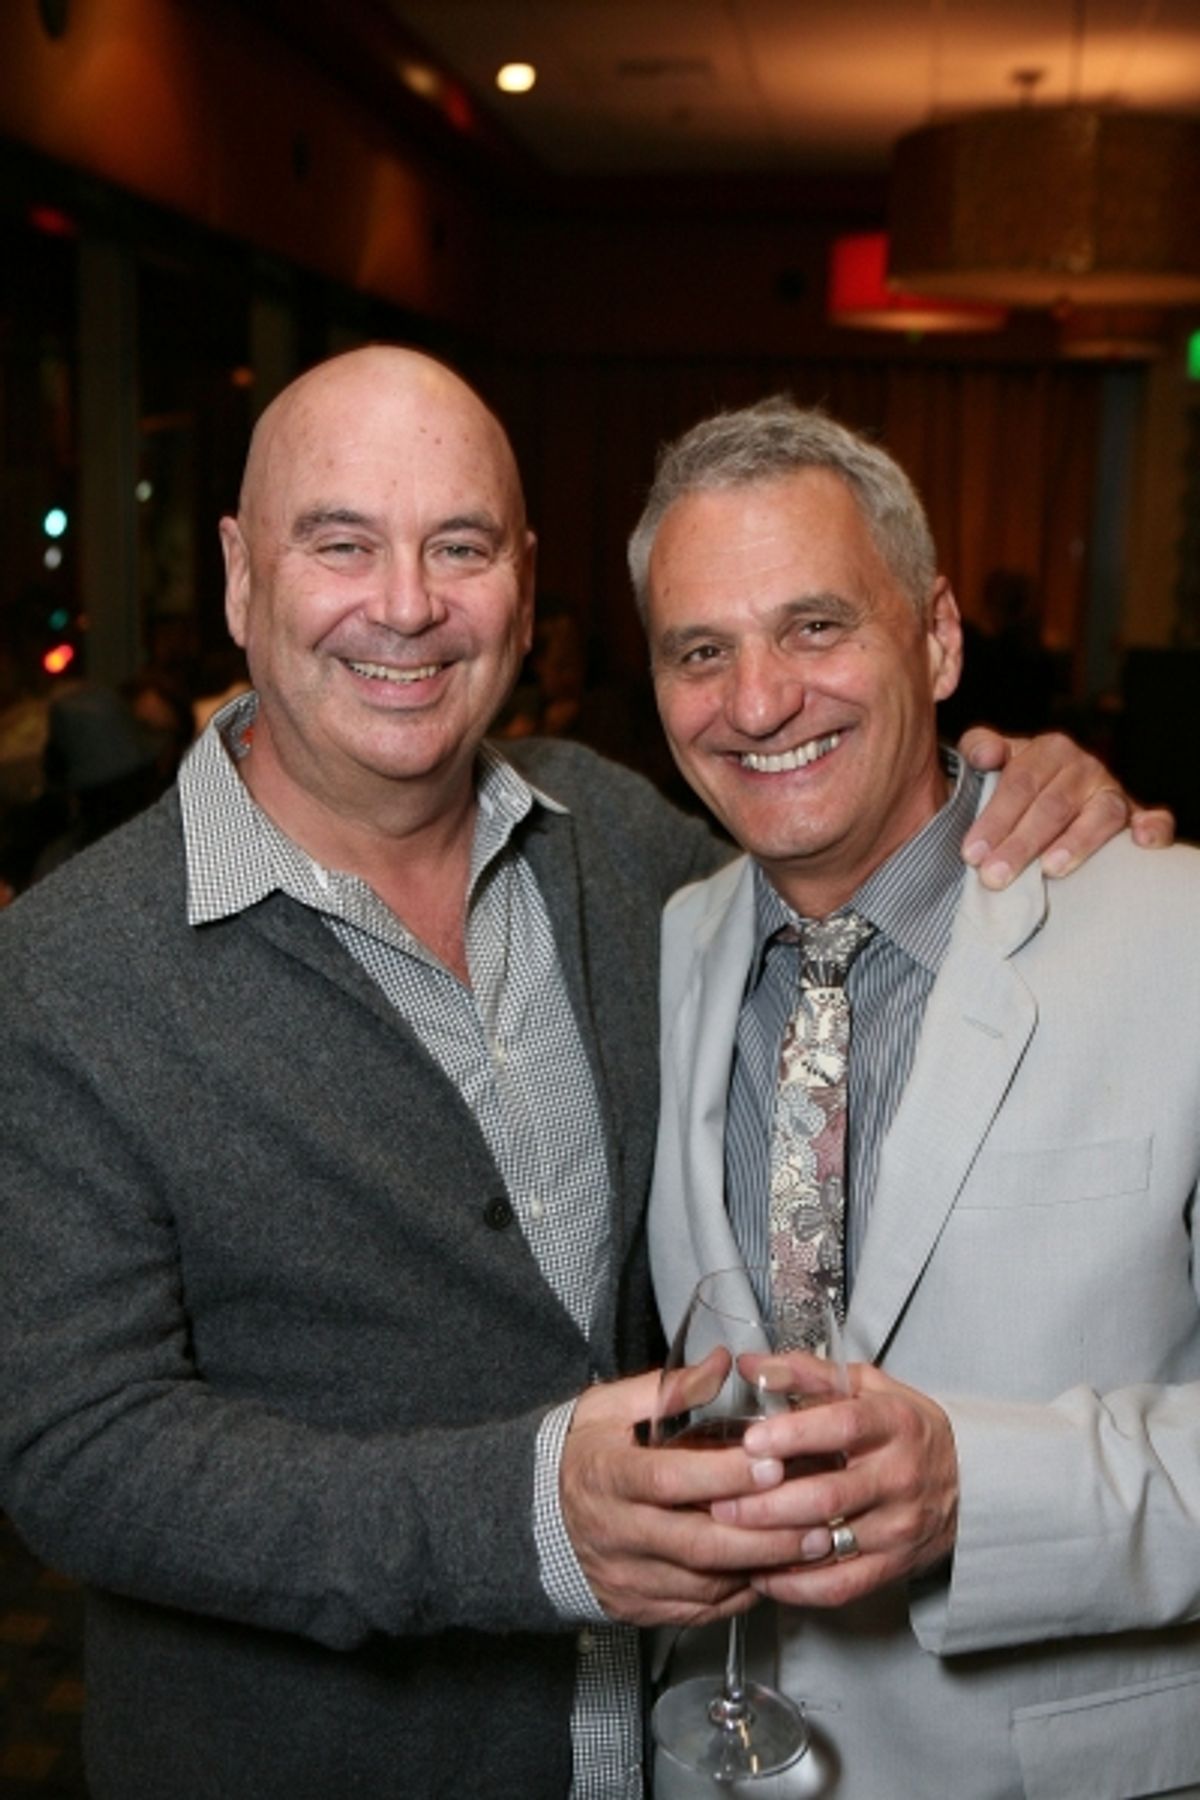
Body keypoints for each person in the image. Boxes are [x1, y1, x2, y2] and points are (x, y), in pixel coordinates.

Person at [0, 349, 1172, 1800]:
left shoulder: (621, 846)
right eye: (341, 543)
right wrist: (524, 1518)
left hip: (660, 1752)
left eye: (461, 546)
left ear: (526, 580)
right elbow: (76, 1451)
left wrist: (1030, 785)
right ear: (241, 575)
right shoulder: (67, 967)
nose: (408, 604)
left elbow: (858, 842)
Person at [637, 398, 1200, 1798]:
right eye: (701, 650)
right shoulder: (665, 938)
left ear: (938, 638)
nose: (757, 701)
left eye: (816, 627)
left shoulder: (1178, 941)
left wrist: (976, 1491)